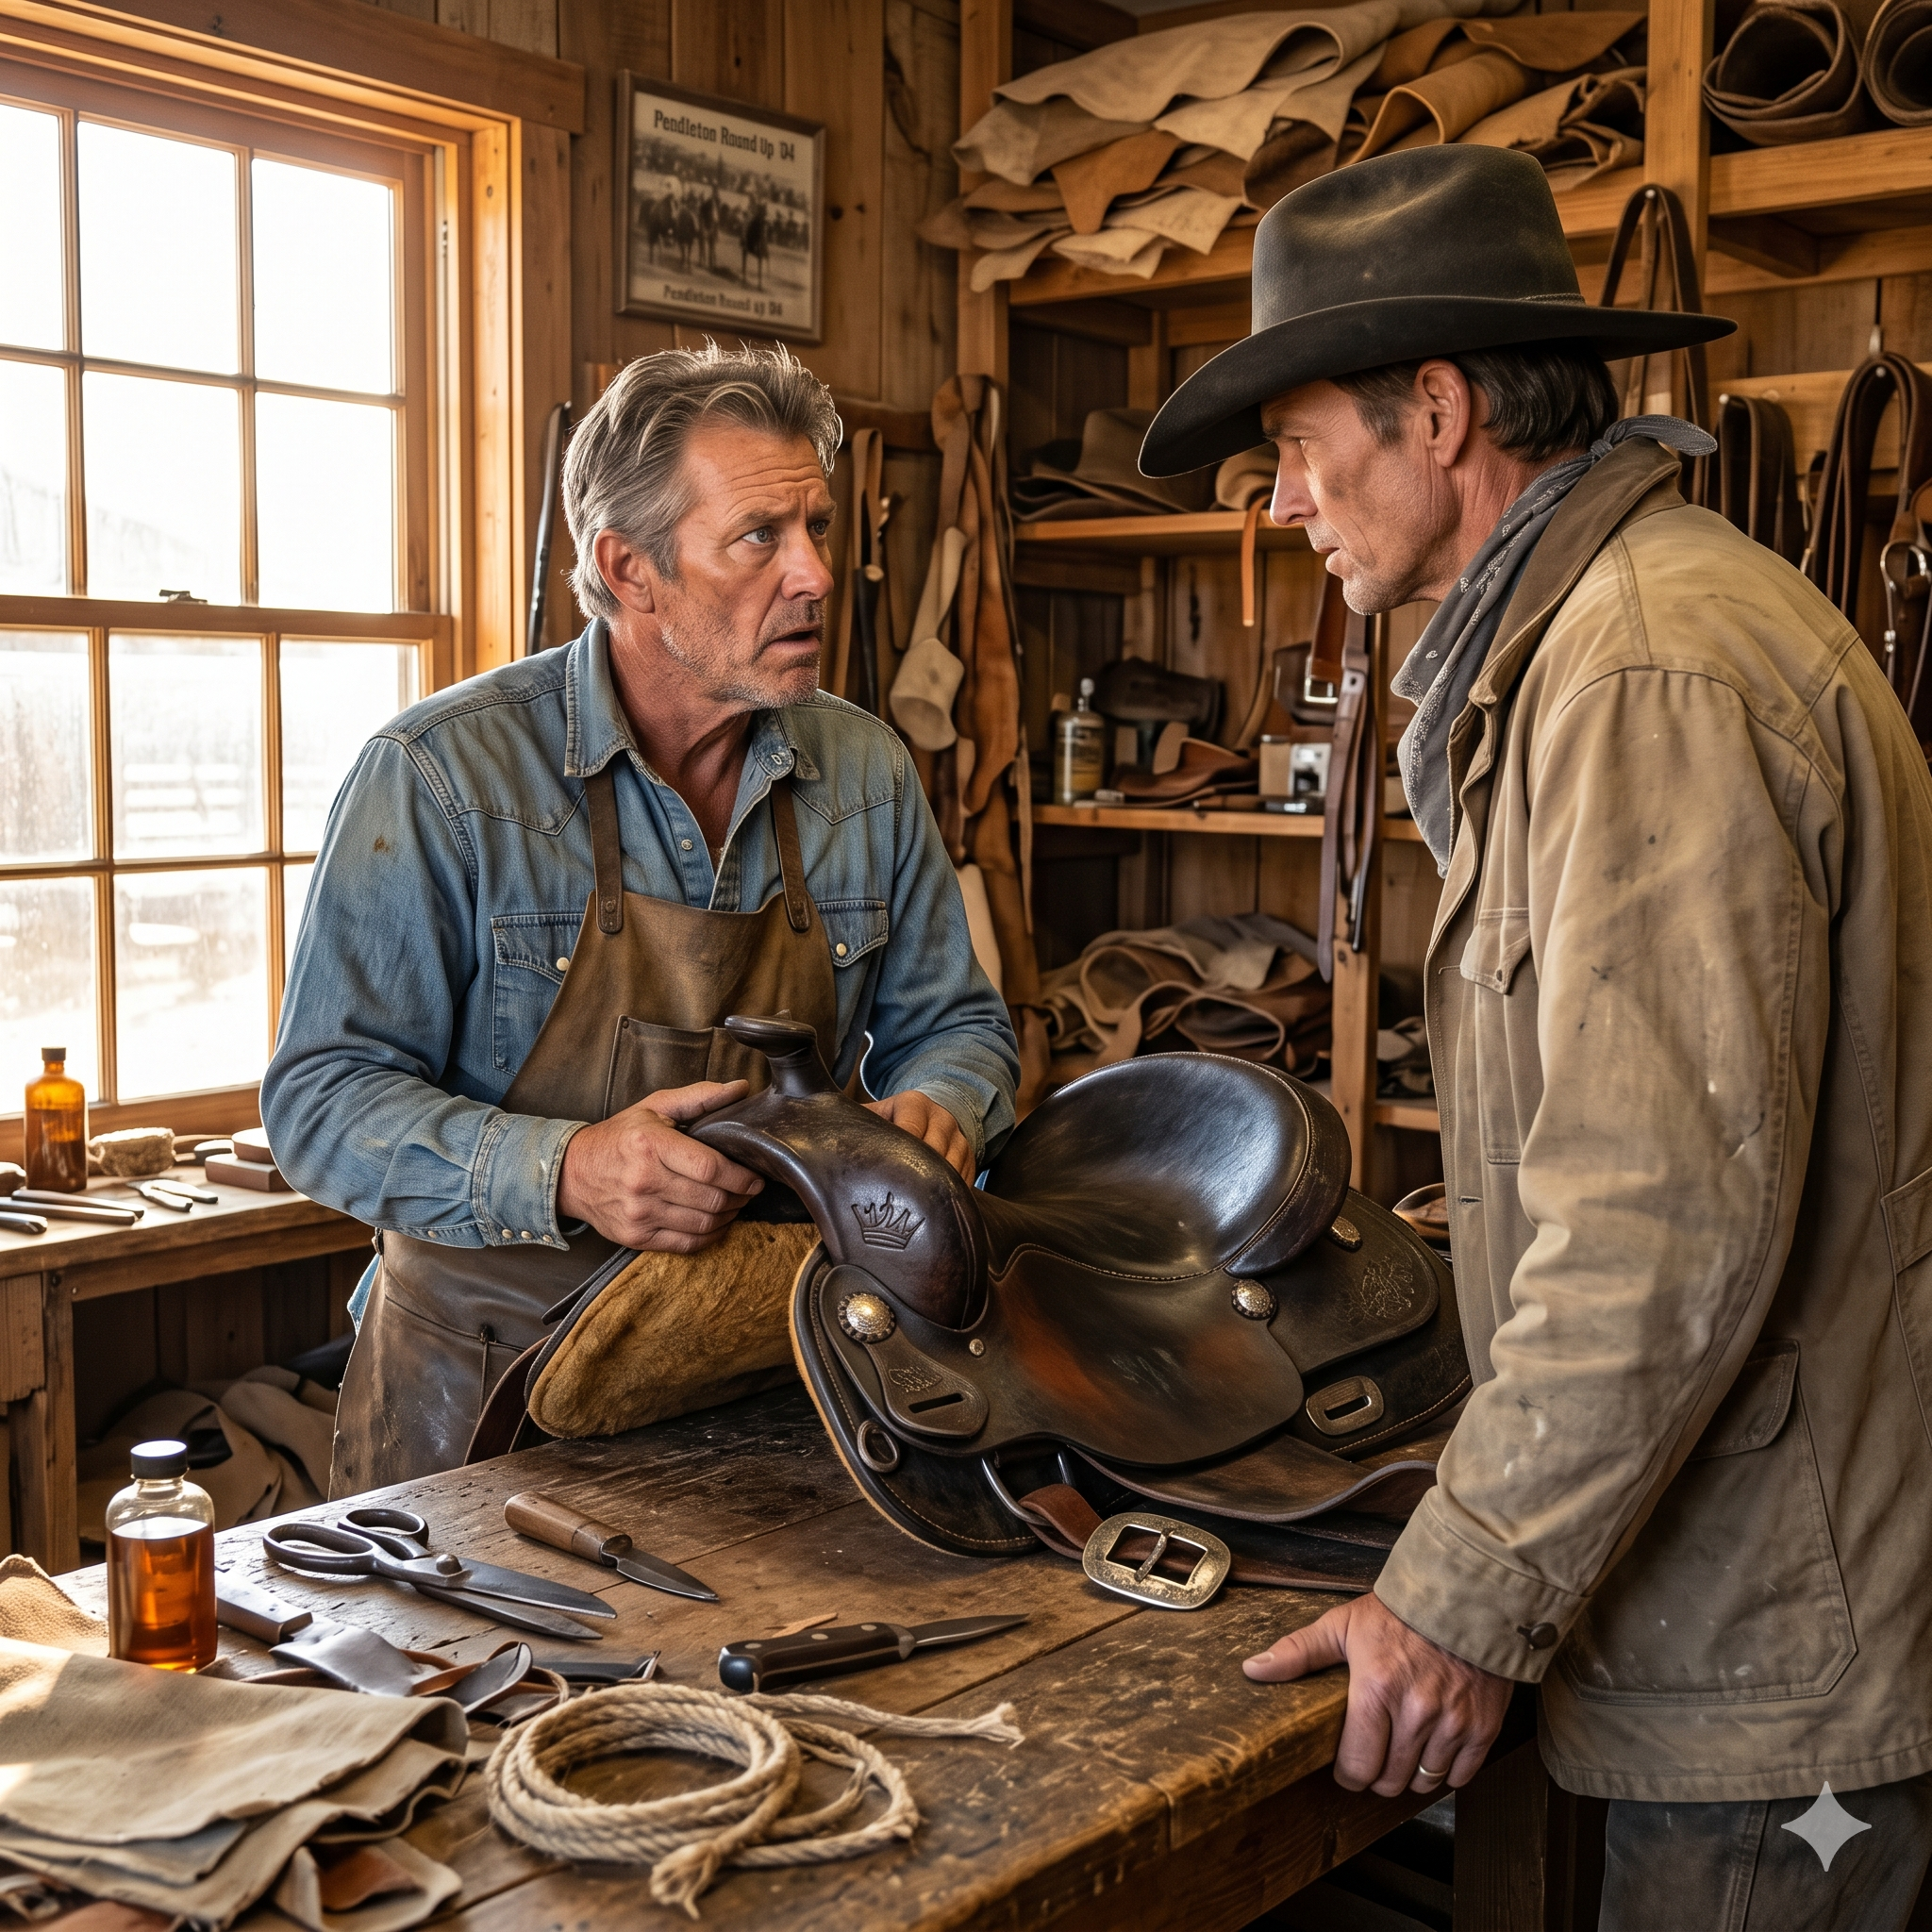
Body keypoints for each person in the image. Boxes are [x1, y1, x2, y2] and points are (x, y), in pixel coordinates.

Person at [1141, 145, 1932, 1929]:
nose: (1279, 505)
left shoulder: (1643, 673)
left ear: (1430, 410)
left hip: (1768, 1644)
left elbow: (1657, 1216)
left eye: (1290, 446)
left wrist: (1460, 1589)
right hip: (1740, 1591)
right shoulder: (1602, 639)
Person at [263, 342, 1018, 1495]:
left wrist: (943, 1102)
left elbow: (959, 1025)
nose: (816, 573)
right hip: (483, 1392)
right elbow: (319, 1105)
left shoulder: (863, 769)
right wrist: (567, 1167)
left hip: (769, 1368)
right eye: (761, 537)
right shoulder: (440, 779)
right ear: (629, 569)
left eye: (817, 527)